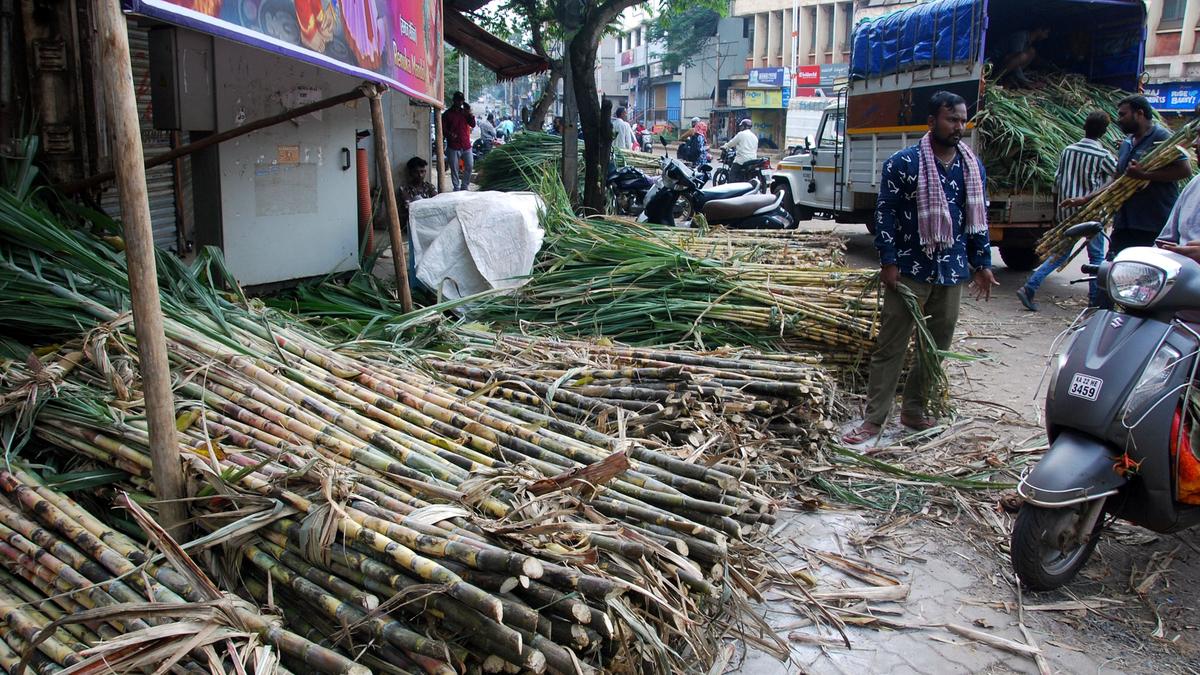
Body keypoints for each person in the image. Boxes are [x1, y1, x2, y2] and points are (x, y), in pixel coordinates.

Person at [842, 91, 997, 445]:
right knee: (891, 346)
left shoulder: (971, 167)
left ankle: (914, 410)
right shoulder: (903, 163)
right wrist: (889, 261)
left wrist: (982, 263)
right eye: (951, 119)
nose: (959, 126)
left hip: (951, 270)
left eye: (962, 119)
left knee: (936, 346)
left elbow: (977, 219)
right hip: (911, 269)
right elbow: (885, 214)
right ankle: (873, 420)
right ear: (931, 122)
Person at [1063, 95, 1190, 292]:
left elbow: (1184, 171)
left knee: (1144, 281)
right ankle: (1101, 312)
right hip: (1125, 221)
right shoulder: (1127, 143)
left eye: (1123, 114)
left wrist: (1145, 175)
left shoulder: (1163, 138)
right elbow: (1117, 181)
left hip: (1152, 222)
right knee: (1112, 273)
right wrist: (1086, 199)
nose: (1119, 119)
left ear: (1139, 113)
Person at [1016, 111, 1117, 311]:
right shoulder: (1103, 155)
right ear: (1104, 132)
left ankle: (1030, 287)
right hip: (1090, 214)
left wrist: (1056, 212)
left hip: (1065, 211)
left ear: (1084, 127)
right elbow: (1117, 178)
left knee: (1060, 255)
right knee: (1096, 258)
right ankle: (1094, 303)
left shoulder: (1068, 150)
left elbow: (1057, 182)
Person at [442, 91, 476, 191]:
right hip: (453, 145)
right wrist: (450, 135)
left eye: (461, 101)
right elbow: (443, 129)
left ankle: (464, 186)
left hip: (466, 145)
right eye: (458, 100)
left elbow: (473, 124)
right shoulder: (447, 114)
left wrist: (469, 112)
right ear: (454, 100)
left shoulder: (465, 113)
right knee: (454, 168)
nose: (459, 102)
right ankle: (456, 187)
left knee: (469, 166)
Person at [397, 156, 437, 227]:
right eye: (416, 172)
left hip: (429, 219)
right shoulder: (404, 189)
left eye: (422, 172)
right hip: (413, 223)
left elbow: (437, 202)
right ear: (410, 173)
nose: (420, 175)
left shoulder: (429, 186)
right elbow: (411, 208)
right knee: (417, 199)